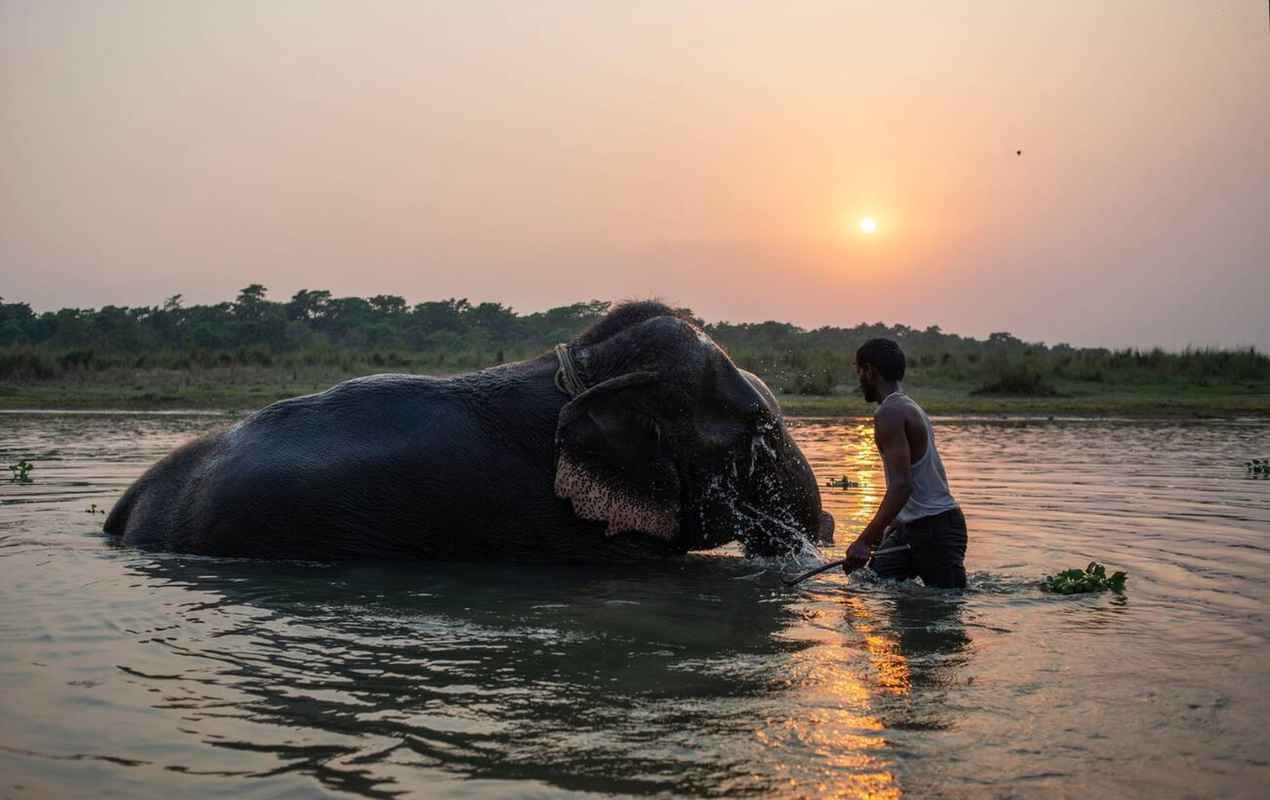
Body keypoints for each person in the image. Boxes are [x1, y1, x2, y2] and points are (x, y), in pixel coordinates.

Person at [845, 338, 967, 588]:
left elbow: (902, 485)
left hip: (936, 530)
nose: (859, 380)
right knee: (868, 585)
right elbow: (917, 480)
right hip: (912, 528)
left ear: (870, 371)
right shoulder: (909, 406)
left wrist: (865, 540)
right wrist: (890, 527)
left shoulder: (889, 413)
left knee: (946, 612)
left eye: (859, 372)